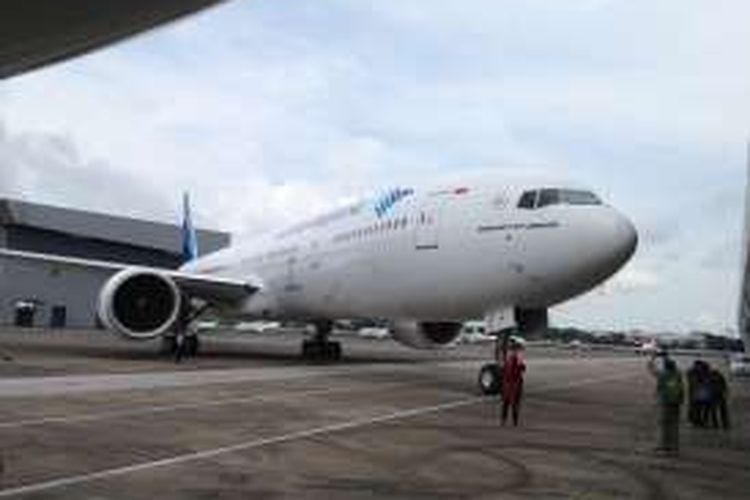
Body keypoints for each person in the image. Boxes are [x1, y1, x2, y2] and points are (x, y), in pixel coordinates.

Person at [649, 353, 684, 454]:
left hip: (665, 402)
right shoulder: (678, 374)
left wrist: (653, 358)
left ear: (665, 367)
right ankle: (674, 447)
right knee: (674, 425)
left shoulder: (663, 375)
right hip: (676, 402)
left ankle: (664, 446)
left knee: (664, 425)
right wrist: (666, 357)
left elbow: (651, 369)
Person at [501, 340, 526, 426]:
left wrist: (520, 362)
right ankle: (505, 420)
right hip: (510, 384)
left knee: (512, 403)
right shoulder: (510, 360)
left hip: (514, 383)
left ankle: (513, 421)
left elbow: (521, 369)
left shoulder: (514, 360)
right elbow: (505, 371)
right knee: (507, 403)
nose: (511, 352)